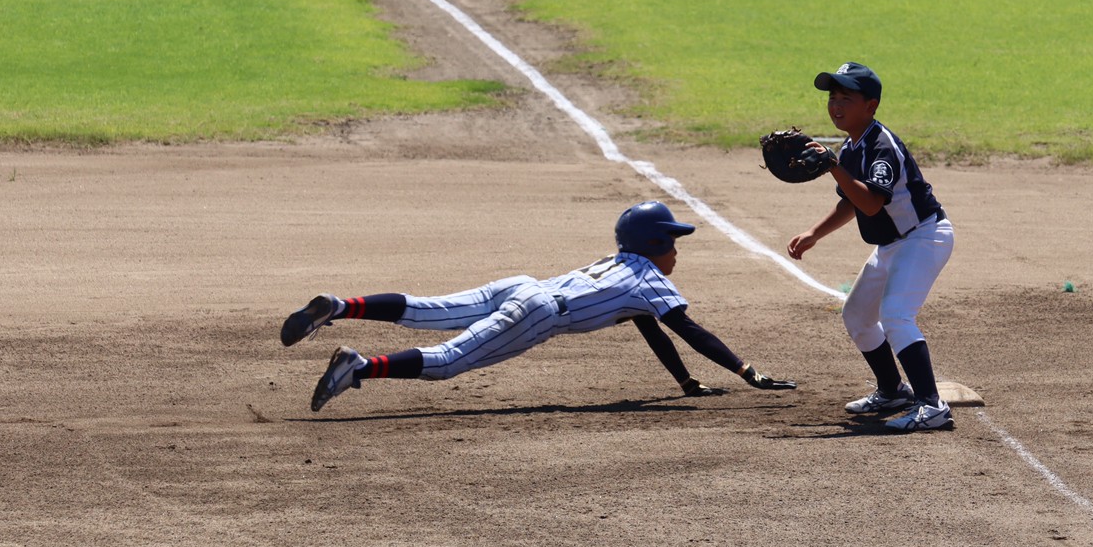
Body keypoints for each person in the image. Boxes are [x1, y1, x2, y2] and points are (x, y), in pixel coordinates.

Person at [282, 200, 797, 413]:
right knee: (447, 362)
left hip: (520, 286)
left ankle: (340, 306)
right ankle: (360, 367)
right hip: (539, 312)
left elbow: (652, 330)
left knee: (424, 308)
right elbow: (688, 329)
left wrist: (685, 385)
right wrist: (746, 371)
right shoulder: (649, 281)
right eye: (673, 241)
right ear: (656, 244)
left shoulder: (616, 265)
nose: (676, 251)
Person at [785, 62, 956, 432]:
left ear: (871, 105)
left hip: (923, 237)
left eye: (846, 97)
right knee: (858, 316)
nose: (835, 105)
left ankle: (932, 405)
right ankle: (893, 390)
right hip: (893, 245)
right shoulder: (850, 149)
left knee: (896, 314)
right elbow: (851, 201)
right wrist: (815, 233)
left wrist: (832, 165)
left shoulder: (881, 146)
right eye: (832, 98)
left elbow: (872, 204)